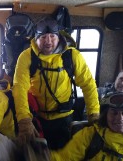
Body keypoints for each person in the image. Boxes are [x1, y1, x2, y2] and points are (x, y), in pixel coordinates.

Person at [12, 17, 100, 150]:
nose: (48, 41)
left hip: (64, 119)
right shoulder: (26, 56)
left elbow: (88, 84)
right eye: (43, 37)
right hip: (37, 118)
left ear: (59, 37)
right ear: (36, 39)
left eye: (52, 36)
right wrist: (24, 120)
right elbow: (20, 87)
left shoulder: (72, 56)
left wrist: (94, 114)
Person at [50, 92, 123, 160]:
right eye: (114, 113)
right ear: (105, 115)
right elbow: (63, 158)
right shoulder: (90, 135)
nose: (120, 118)